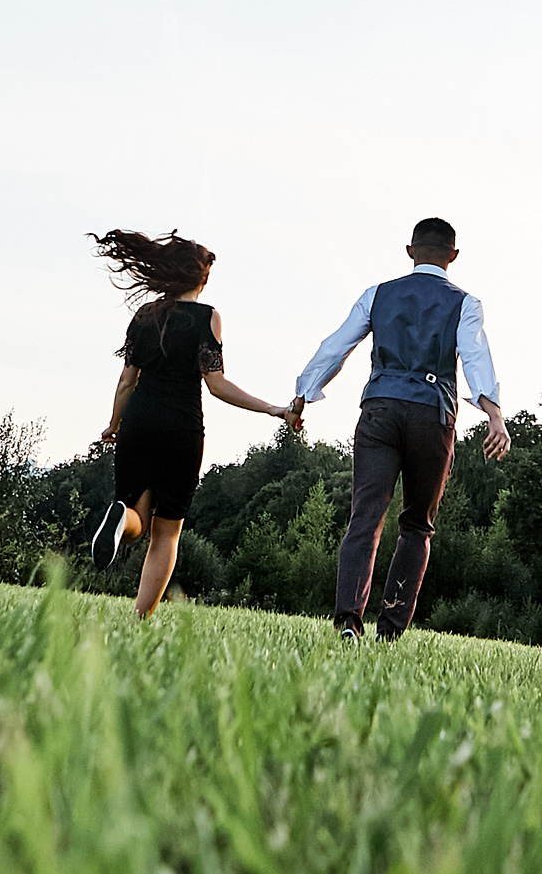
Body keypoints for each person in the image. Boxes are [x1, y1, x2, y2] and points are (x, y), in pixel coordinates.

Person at [289, 217, 510, 641]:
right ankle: (389, 630)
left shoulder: (378, 295)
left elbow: (336, 346)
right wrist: (494, 414)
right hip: (432, 416)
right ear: (453, 256)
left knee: (365, 516)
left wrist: (304, 391)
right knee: (416, 526)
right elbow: (476, 358)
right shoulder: (465, 303)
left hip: (379, 411)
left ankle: (348, 622)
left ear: (410, 252)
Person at [88, 229, 299, 617]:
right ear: (201, 279)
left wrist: (114, 424)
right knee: (166, 533)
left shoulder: (145, 316)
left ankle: (121, 519)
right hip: (182, 429)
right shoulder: (207, 318)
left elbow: (127, 381)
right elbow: (216, 384)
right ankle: (139, 618)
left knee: (137, 515)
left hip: (139, 423)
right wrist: (272, 409)